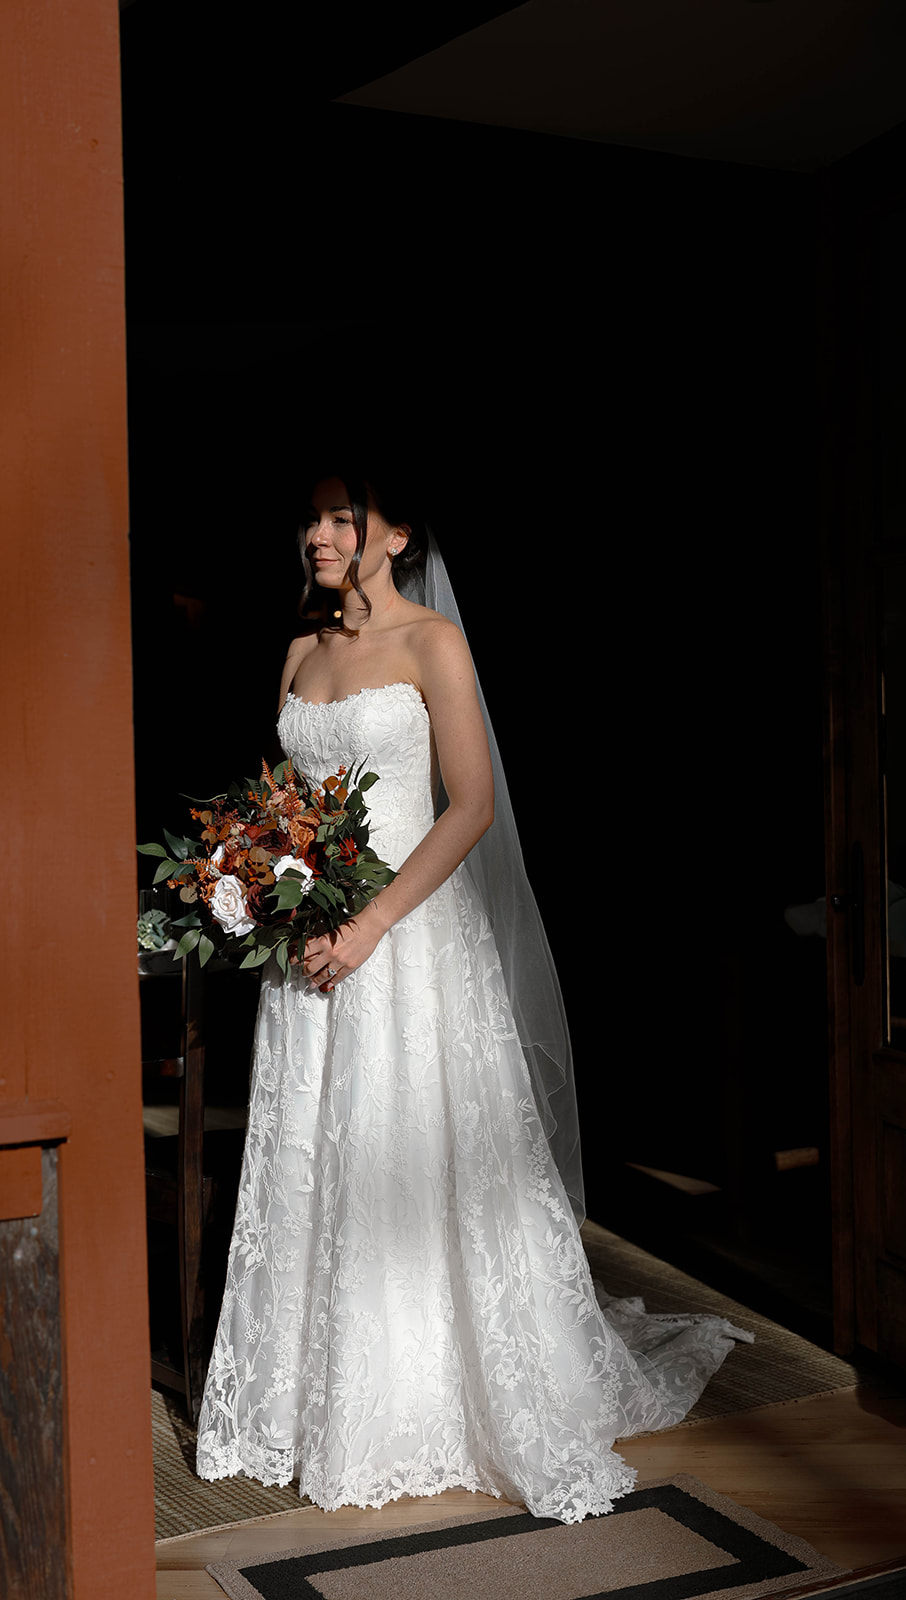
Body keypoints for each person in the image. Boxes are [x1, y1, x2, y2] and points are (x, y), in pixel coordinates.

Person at [195, 470, 751, 1524]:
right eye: (310, 516)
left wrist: (368, 924)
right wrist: (264, 881)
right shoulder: (299, 650)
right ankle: (307, 1403)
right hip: (307, 956)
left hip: (405, 943)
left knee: (411, 1145)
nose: (316, 533)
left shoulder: (430, 646)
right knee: (320, 1150)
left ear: (398, 534)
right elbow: (288, 810)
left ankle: (430, 1398)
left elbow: (473, 804)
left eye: (341, 516)